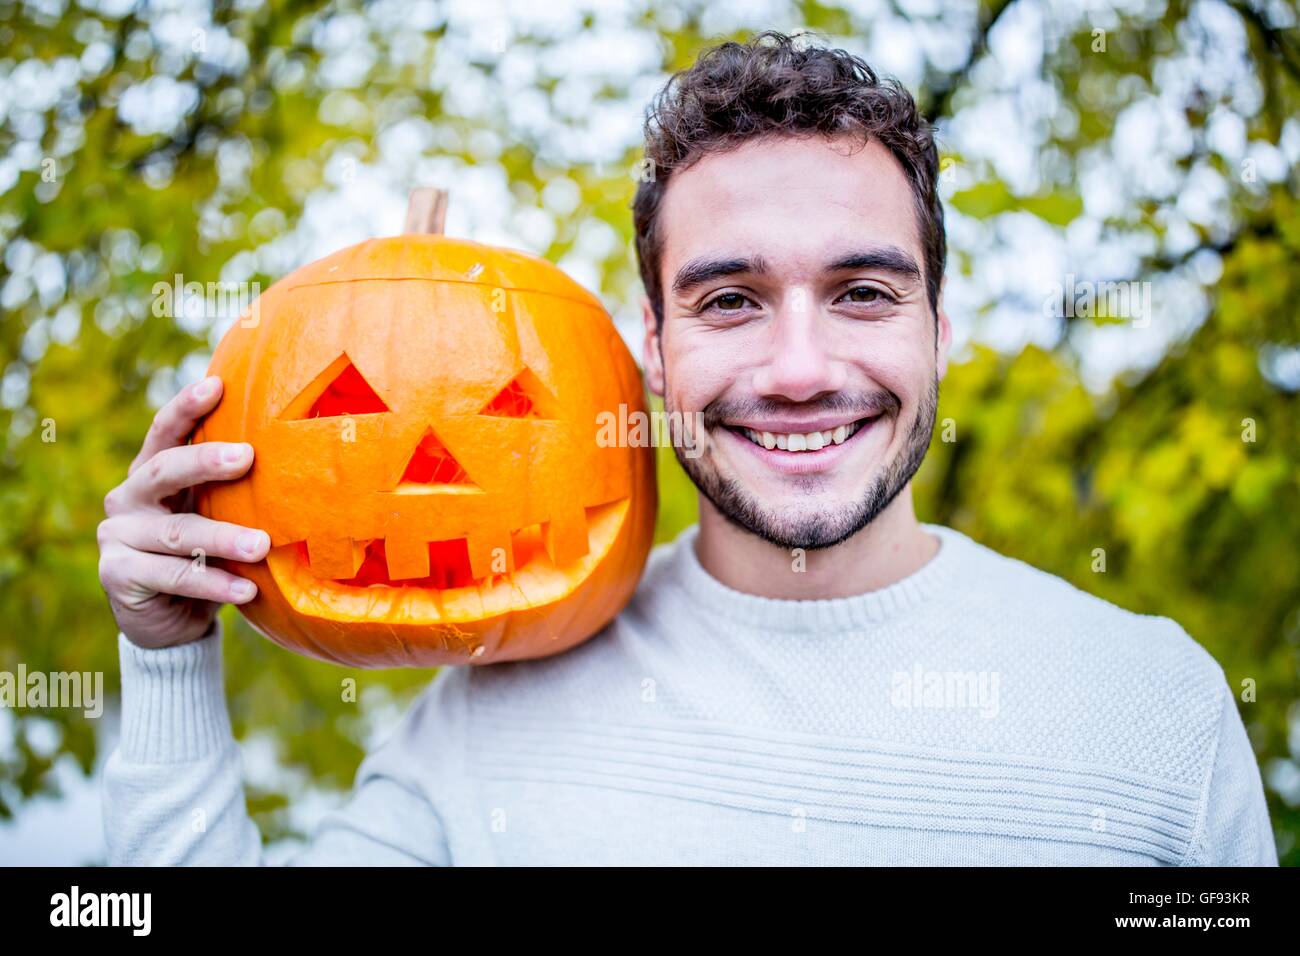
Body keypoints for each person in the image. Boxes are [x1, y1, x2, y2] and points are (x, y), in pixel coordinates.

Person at [97, 31, 1277, 865]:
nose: (800, 366)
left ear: (941, 328)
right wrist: (164, 663)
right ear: (650, 347)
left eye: (863, 291)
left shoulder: (1153, 705)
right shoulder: (486, 712)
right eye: (728, 302)